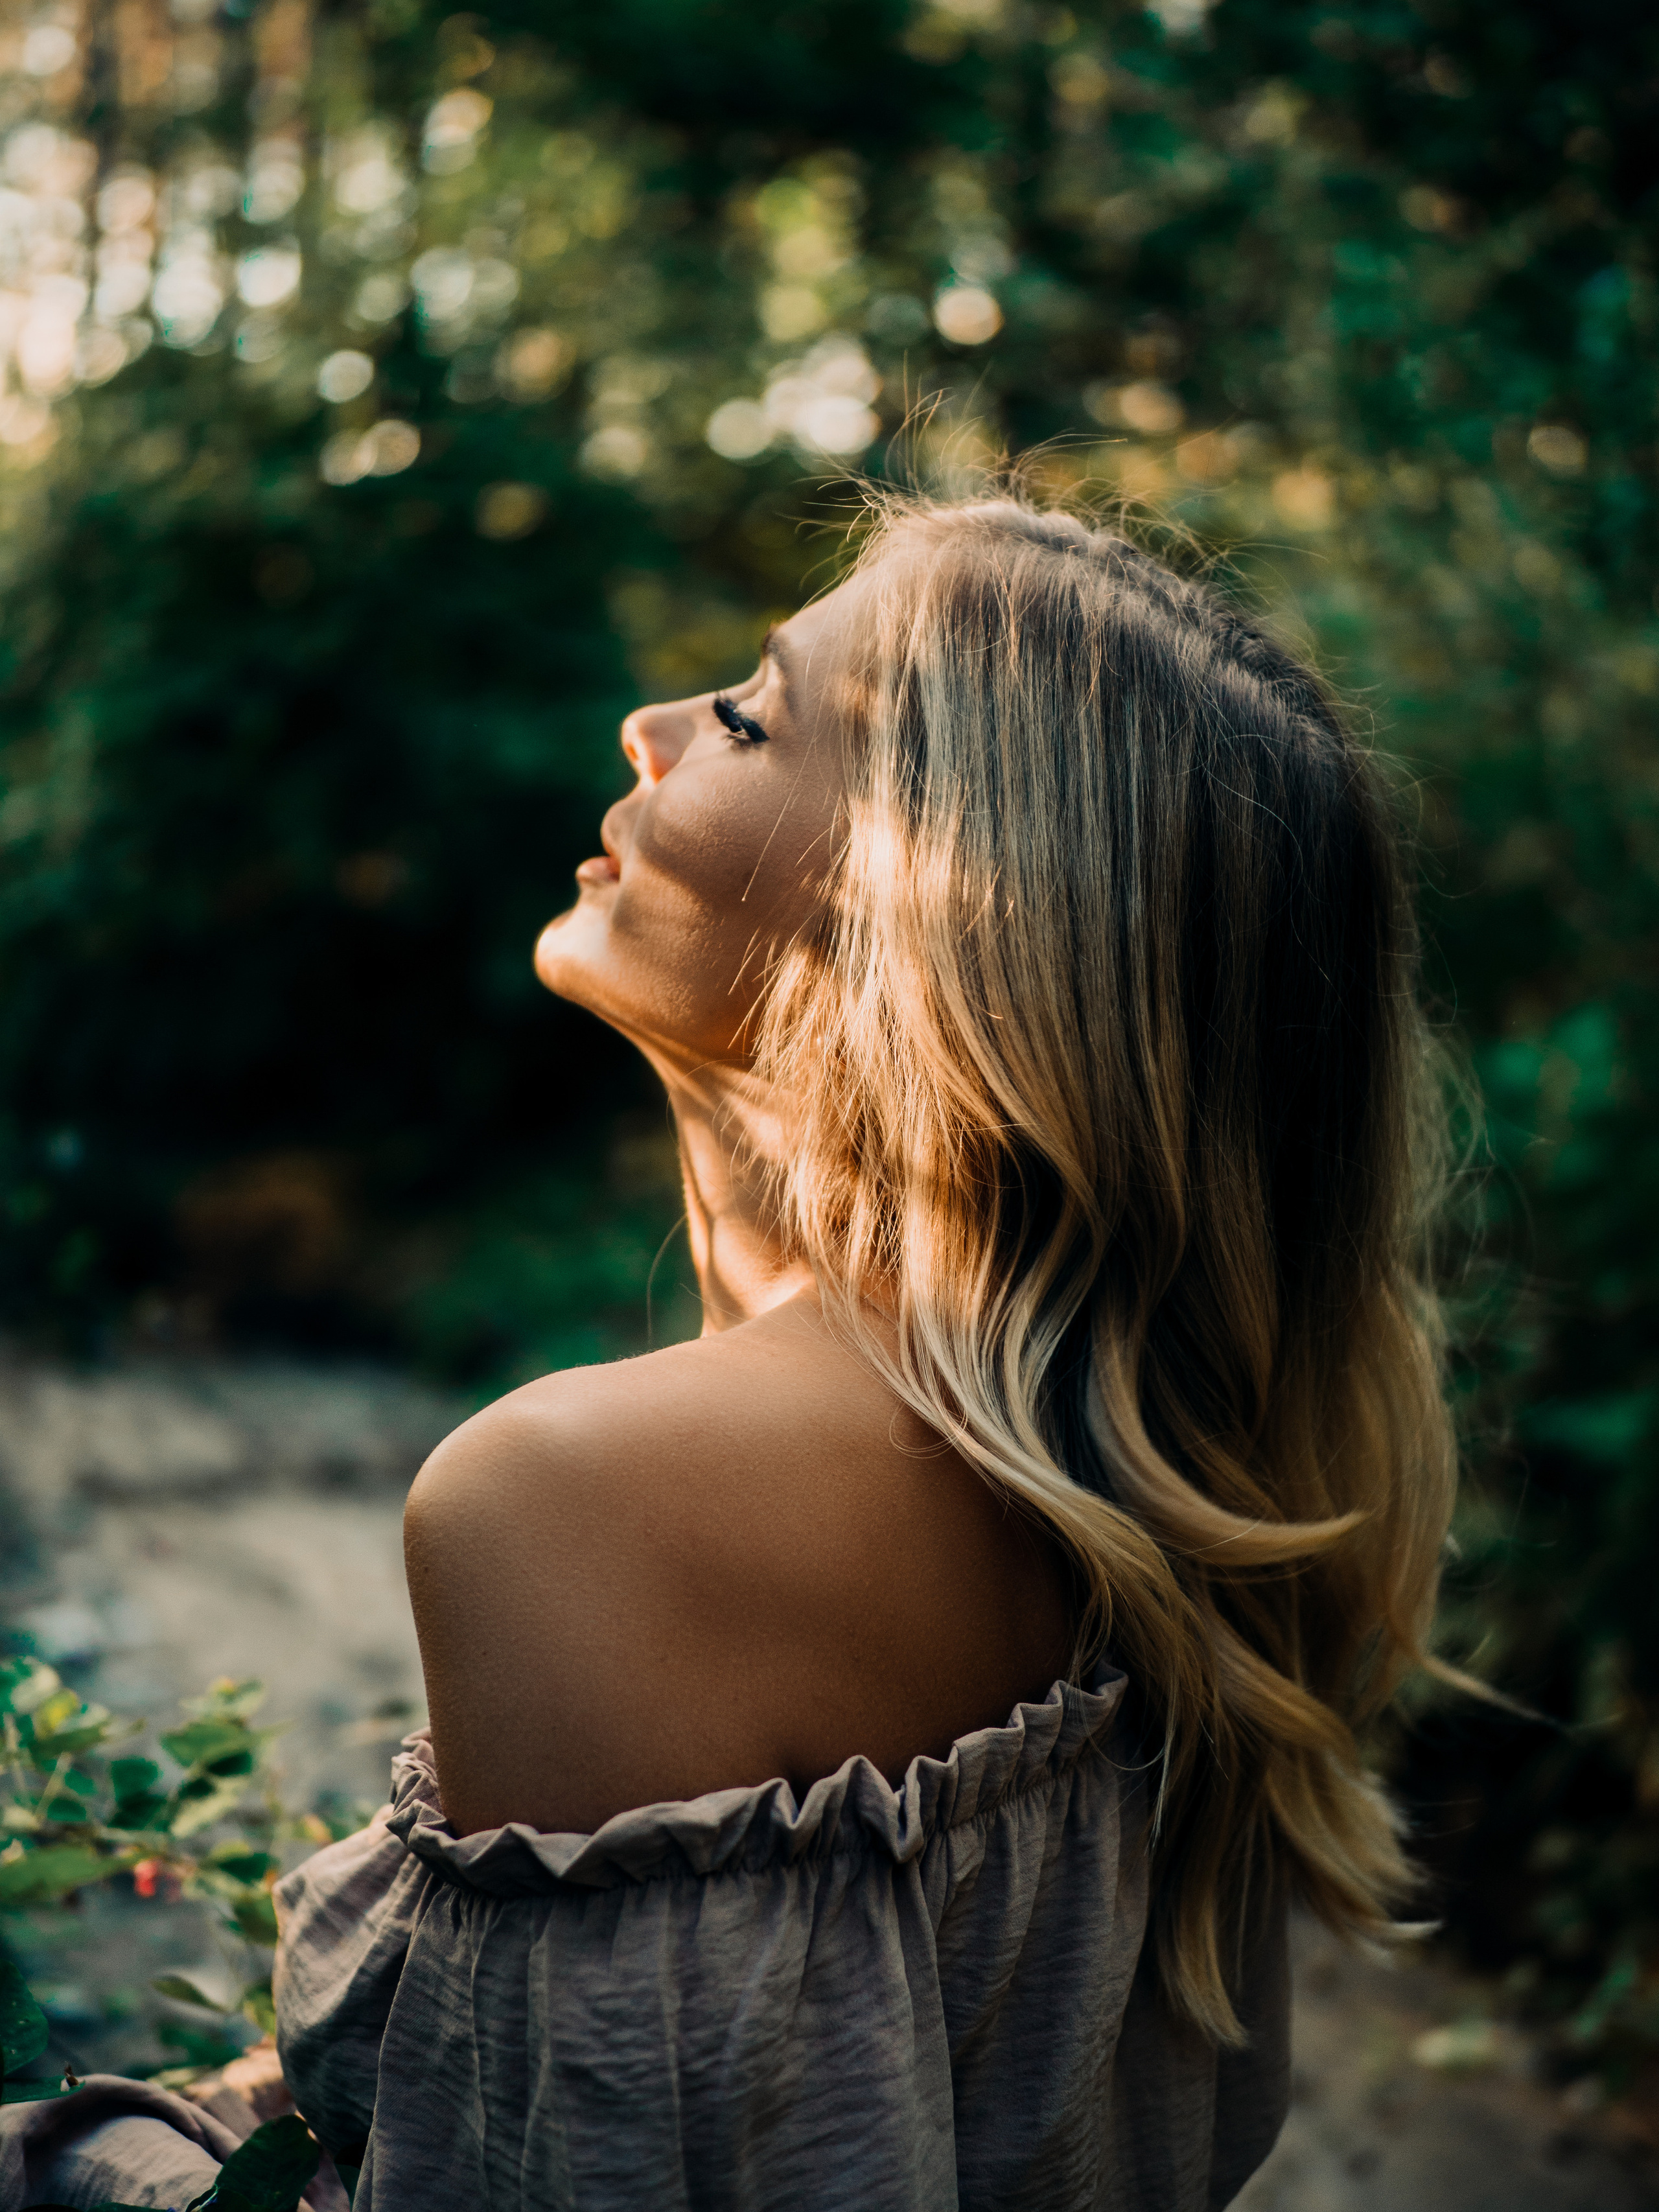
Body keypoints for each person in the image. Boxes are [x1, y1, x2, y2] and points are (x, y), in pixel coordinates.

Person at [14, 491, 1457, 2210]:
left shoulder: (572, 1497)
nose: (649, 725)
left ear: (937, 920)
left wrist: (86, 2166)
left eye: (752, 716)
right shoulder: (1191, 1490)